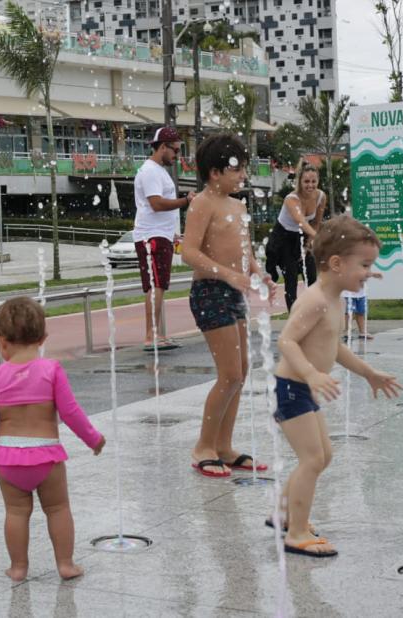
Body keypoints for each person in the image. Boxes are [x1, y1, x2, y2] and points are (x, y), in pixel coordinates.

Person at [0, 297, 105, 582]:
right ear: (43, 338)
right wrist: (93, 439)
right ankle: (66, 564)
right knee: (57, 509)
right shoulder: (52, 370)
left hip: (9, 458)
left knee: (16, 512)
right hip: (46, 455)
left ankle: (18, 568)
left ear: (1, 341)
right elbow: (71, 412)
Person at [272, 215, 400, 556]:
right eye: (365, 265)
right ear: (336, 263)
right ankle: (296, 533)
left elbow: (334, 347)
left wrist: (367, 372)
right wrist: (312, 375)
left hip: (304, 390)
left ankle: (285, 514)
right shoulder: (315, 300)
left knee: (323, 456)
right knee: (312, 459)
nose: (369, 273)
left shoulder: (336, 298)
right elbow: (286, 341)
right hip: (292, 388)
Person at [182, 133, 277, 478]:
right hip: (209, 291)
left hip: (234, 293)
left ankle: (223, 445)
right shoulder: (202, 203)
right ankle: (203, 446)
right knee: (230, 374)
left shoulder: (238, 205)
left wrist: (260, 276)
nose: (242, 176)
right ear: (214, 173)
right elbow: (188, 252)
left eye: (243, 169)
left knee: (241, 373)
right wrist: (227, 275)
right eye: (235, 169)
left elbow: (245, 251)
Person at [133, 127, 196, 351]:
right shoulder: (151, 171)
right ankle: (151, 335)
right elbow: (156, 204)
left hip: (159, 235)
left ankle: (155, 333)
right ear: (162, 147)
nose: (176, 156)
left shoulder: (157, 171)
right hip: (152, 236)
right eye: (175, 150)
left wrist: (172, 234)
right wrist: (185, 201)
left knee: (158, 285)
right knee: (156, 285)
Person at [265, 159, 326, 310]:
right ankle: (294, 320)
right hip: (284, 238)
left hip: (304, 236)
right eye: (306, 181)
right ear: (299, 181)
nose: (310, 185)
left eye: (313, 181)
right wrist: (319, 238)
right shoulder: (291, 199)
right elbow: (301, 222)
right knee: (291, 278)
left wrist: (311, 241)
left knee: (312, 276)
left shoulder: (321, 197)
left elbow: (316, 223)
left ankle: (314, 314)